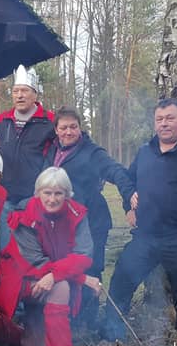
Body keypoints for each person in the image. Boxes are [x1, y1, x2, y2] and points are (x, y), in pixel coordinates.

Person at [103, 98, 177, 346]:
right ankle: (112, 336)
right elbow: (129, 181)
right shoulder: (145, 152)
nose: (164, 124)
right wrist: (128, 206)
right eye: (159, 119)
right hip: (145, 236)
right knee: (122, 279)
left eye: (170, 118)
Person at [0, 167, 99, 346]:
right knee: (61, 287)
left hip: (48, 277)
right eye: (47, 193)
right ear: (38, 193)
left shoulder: (77, 214)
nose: (52, 199)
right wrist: (80, 278)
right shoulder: (24, 214)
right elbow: (35, 262)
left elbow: (84, 255)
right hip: (20, 278)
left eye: (58, 193)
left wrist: (56, 275)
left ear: (67, 194)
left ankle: (42, 344)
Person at [45, 107, 135, 326]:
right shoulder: (52, 150)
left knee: (91, 267)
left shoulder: (92, 152)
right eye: (63, 127)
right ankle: (70, 316)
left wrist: (130, 194)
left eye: (73, 127)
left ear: (80, 128)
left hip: (92, 220)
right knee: (68, 265)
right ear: (56, 130)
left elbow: (115, 170)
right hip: (63, 222)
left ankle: (88, 321)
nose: (68, 132)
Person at [0, 65, 55, 253]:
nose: (19, 95)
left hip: (33, 198)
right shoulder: (2, 120)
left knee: (32, 252)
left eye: (24, 91)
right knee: (7, 251)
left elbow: (55, 158)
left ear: (35, 94)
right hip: (7, 198)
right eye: (16, 91)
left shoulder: (50, 121)